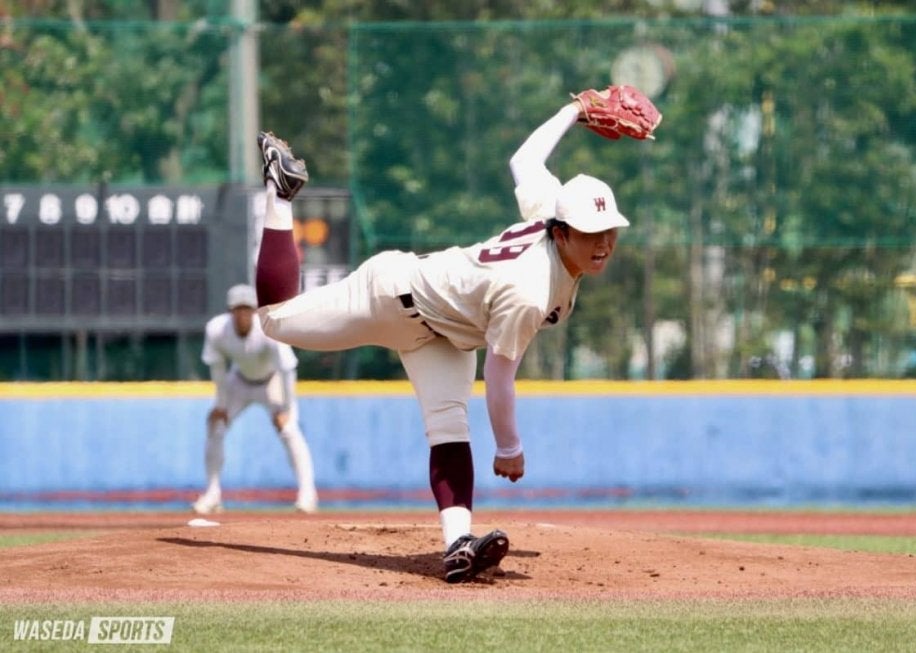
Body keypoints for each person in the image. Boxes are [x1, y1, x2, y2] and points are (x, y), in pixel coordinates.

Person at [254, 95, 628, 583]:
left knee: (449, 428)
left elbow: (524, 161)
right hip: (393, 298)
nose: (603, 242)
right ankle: (281, 195)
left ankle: (457, 545)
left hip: (446, 338)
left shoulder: (549, 216)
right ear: (560, 234)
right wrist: (509, 447)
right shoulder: (528, 290)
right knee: (274, 320)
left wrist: (574, 110)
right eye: (590, 231)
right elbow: (499, 376)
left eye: (609, 230)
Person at [192, 283, 319, 515]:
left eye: (247, 309)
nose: (242, 314)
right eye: (237, 309)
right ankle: (212, 493)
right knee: (216, 426)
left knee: (289, 430)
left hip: (272, 382)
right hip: (239, 382)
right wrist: (221, 404)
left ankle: (307, 494)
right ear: (230, 311)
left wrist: (289, 411)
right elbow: (218, 368)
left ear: (254, 310)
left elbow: (287, 369)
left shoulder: (269, 328)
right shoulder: (217, 329)